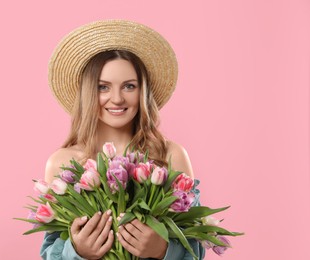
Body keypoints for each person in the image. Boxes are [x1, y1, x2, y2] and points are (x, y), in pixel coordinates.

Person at [40, 20, 205, 260]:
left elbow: (196, 246)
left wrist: (163, 250)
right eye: (103, 87)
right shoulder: (61, 163)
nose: (116, 99)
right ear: (88, 92)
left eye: (129, 86)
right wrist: (77, 251)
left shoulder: (171, 155)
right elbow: (50, 253)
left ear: (143, 92)